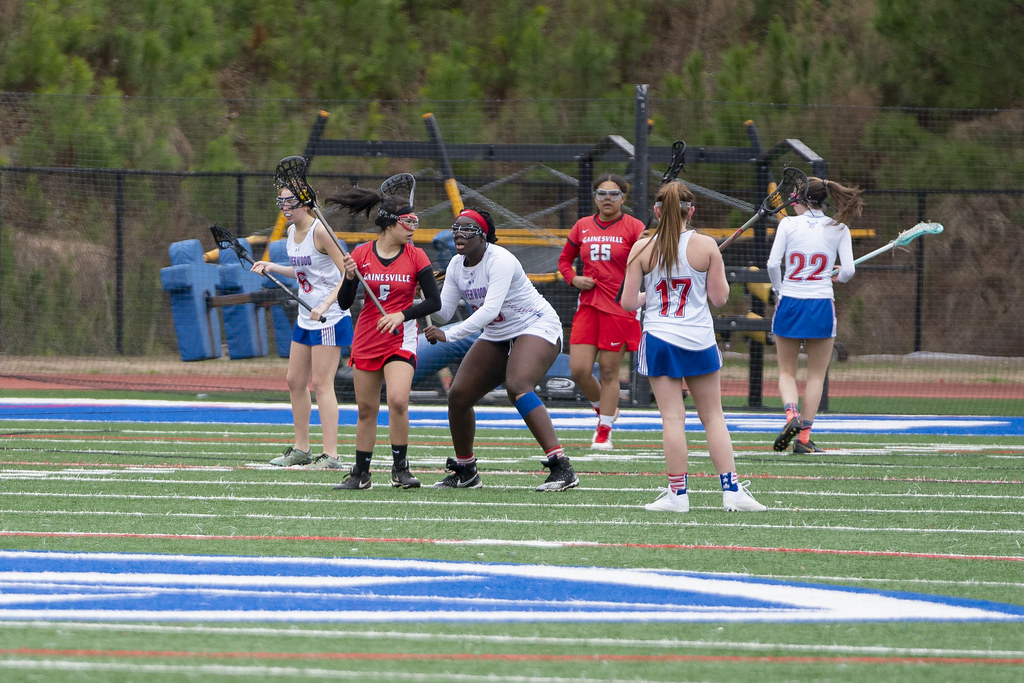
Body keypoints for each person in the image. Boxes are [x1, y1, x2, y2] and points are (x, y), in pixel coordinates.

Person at [620, 180, 766, 513]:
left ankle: (678, 496)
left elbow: (629, 302)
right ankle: (731, 492)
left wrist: (653, 294)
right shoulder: (706, 246)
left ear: (656, 211)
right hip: (698, 338)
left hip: (660, 338)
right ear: (692, 211)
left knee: (673, 418)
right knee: (713, 417)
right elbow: (719, 298)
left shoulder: (641, 249)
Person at [423, 208, 579, 491]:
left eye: (468, 229)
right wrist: (421, 296)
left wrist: (448, 335)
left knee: (518, 385)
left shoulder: (501, 260)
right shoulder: (457, 265)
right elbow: (444, 312)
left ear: (483, 236)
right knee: (459, 395)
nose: (459, 233)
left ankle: (561, 466)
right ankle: (466, 470)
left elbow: (489, 310)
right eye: (456, 227)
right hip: (499, 333)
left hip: (535, 325)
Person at [323, 186, 442, 489]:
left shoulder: (417, 256)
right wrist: (350, 277)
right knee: (366, 409)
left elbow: (434, 302)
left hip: (401, 336)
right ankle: (360, 474)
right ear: (390, 224)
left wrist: (402, 314)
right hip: (368, 336)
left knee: (399, 400)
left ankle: (400, 469)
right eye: (408, 222)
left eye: (415, 222)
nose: (413, 229)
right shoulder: (361, 254)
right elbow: (344, 302)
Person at [251, 186, 353, 468]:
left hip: (329, 318)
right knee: (294, 380)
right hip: (304, 317)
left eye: (290, 201)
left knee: (322, 384)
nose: (284, 206)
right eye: (281, 200)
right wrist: (271, 266)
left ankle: (331, 454)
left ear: (305, 203)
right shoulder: (290, 233)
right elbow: (301, 272)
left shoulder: (320, 231)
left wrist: (325, 305)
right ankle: (301, 449)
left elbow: (347, 274)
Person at [767, 176, 861, 454]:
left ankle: (790, 416)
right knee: (816, 376)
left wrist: (778, 289)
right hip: (821, 304)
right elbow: (849, 271)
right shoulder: (838, 227)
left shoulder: (787, 224)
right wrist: (837, 276)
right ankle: (804, 438)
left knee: (786, 371)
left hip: (791, 301)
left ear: (802, 199)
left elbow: (773, 263)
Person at [558, 174, 646, 450]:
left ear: (623, 197)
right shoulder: (582, 226)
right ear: (595, 197)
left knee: (609, 370)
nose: (608, 199)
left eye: (614, 194)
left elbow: (649, 264)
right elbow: (564, 261)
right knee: (579, 369)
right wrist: (573, 279)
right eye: (602, 194)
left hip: (619, 308)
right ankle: (603, 409)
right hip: (588, 306)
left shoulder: (634, 227)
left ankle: (604, 430)